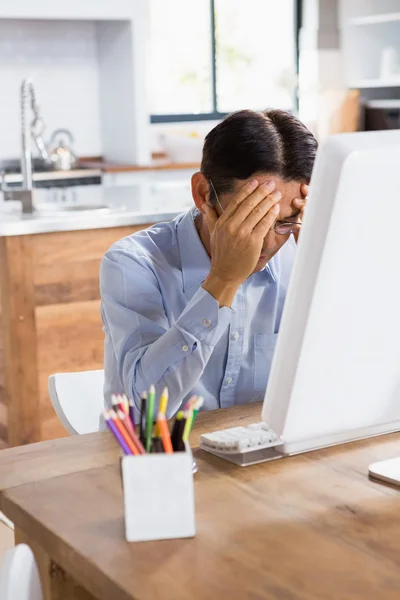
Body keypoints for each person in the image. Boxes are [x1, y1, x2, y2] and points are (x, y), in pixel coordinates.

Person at [100, 109, 318, 417]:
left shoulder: (301, 255)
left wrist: (326, 272)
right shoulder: (132, 264)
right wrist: (223, 281)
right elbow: (143, 410)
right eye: (250, 219)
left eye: (284, 223)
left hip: (258, 454)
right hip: (154, 459)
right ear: (203, 193)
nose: (267, 244)